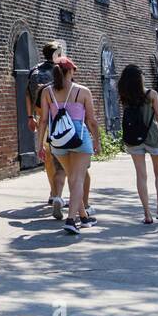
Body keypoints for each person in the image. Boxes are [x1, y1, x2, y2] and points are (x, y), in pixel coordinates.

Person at [44, 57, 101, 235]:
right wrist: (97, 141)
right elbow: (91, 121)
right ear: (69, 71)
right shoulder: (83, 91)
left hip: (58, 140)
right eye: (74, 70)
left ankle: (83, 217)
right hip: (78, 137)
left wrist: (40, 145)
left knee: (72, 177)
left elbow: (44, 121)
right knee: (78, 180)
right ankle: (71, 220)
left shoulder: (47, 92)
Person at [118, 64, 158, 224]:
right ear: (139, 78)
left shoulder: (124, 95)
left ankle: (147, 214)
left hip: (133, 139)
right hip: (152, 137)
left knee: (141, 176)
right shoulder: (151, 94)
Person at [26, 40, 68, 219]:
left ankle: (53, 192)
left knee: (49, 158)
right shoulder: (61, 69)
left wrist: (30, 117)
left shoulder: (34, 70)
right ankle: (58, 194)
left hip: (42, 117)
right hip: (60, 118)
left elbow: (27, 95)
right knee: (65, 158)